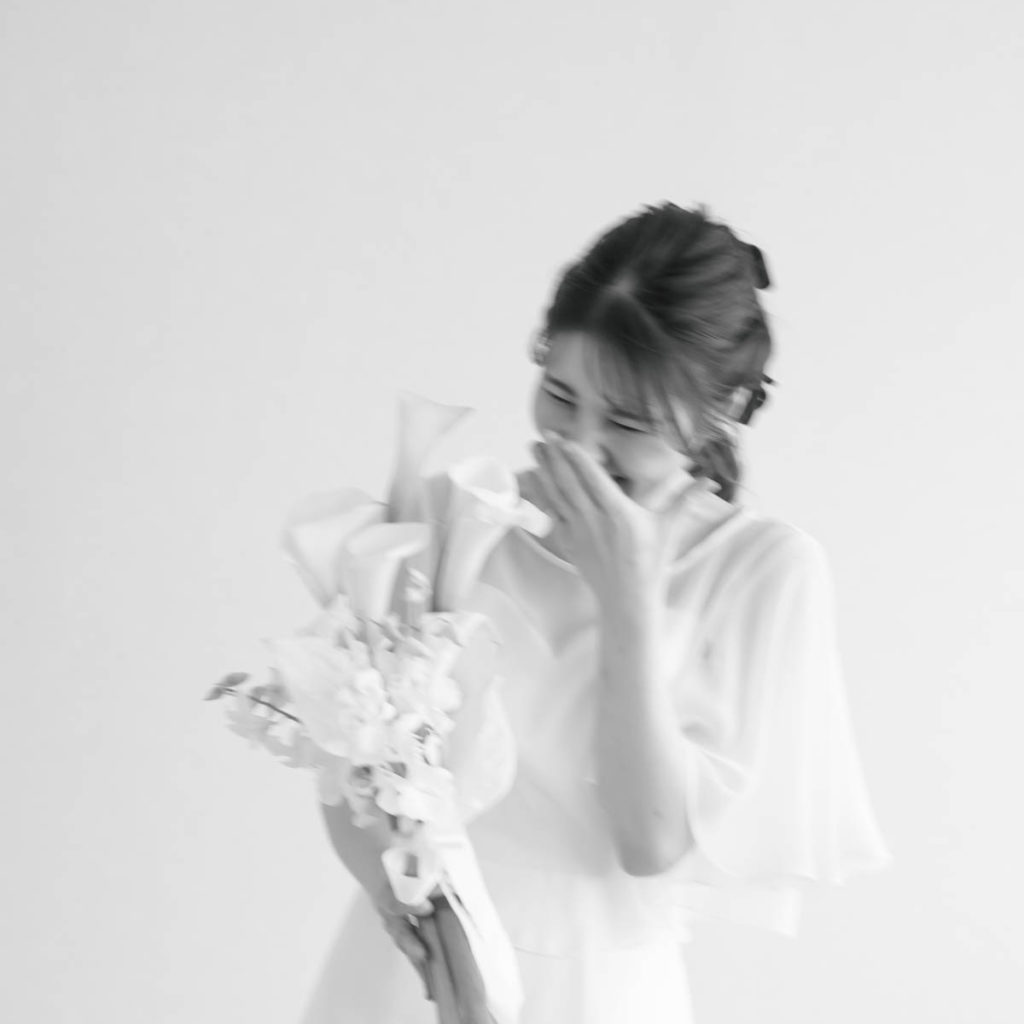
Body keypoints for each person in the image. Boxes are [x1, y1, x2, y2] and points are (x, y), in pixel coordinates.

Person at [298, 202, 892, 1023]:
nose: (577, 443)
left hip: (597, 987)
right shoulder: (446, 515)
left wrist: (628, 596)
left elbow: (650, 841)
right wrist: (406, 907)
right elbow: (349, 772)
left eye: (626, 421)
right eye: (558, 394)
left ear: (720, 410)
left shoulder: (764, 570)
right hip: (409, 971)